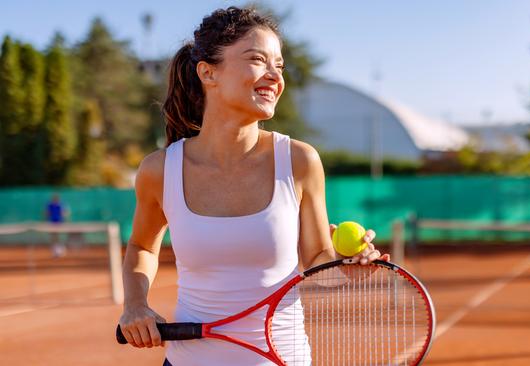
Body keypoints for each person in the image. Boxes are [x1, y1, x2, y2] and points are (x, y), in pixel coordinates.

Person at [118, 7, 388, 365]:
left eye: (279, 65)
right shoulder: (159, 170)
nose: (275, 75)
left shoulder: (300, 161)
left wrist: (344, 264)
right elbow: (142, 246)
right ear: (208, 72)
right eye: (258, 60)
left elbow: (319, 263)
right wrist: (135, 303)